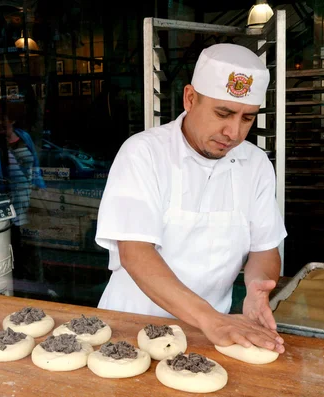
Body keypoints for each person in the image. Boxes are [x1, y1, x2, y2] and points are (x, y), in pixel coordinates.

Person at [95, 44, 287, 354]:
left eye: (247, 119)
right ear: (190, 98)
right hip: (129, 329)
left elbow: (264, 249)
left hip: (210, 338)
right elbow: (135, 253)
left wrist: (256, 289)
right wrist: (211, 319)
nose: (233, 132)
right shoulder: (144, 153)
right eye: (222, 113)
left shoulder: (256, 165)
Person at [0, 109, 46, 280]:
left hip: (27, 197)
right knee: (13, 239)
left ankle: (35, 277)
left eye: (3, 117)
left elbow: (34, 164)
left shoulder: (24, 137)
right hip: (6, 199)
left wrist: (40, 187)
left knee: (30, 241)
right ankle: (19, 276)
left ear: (12, 120)